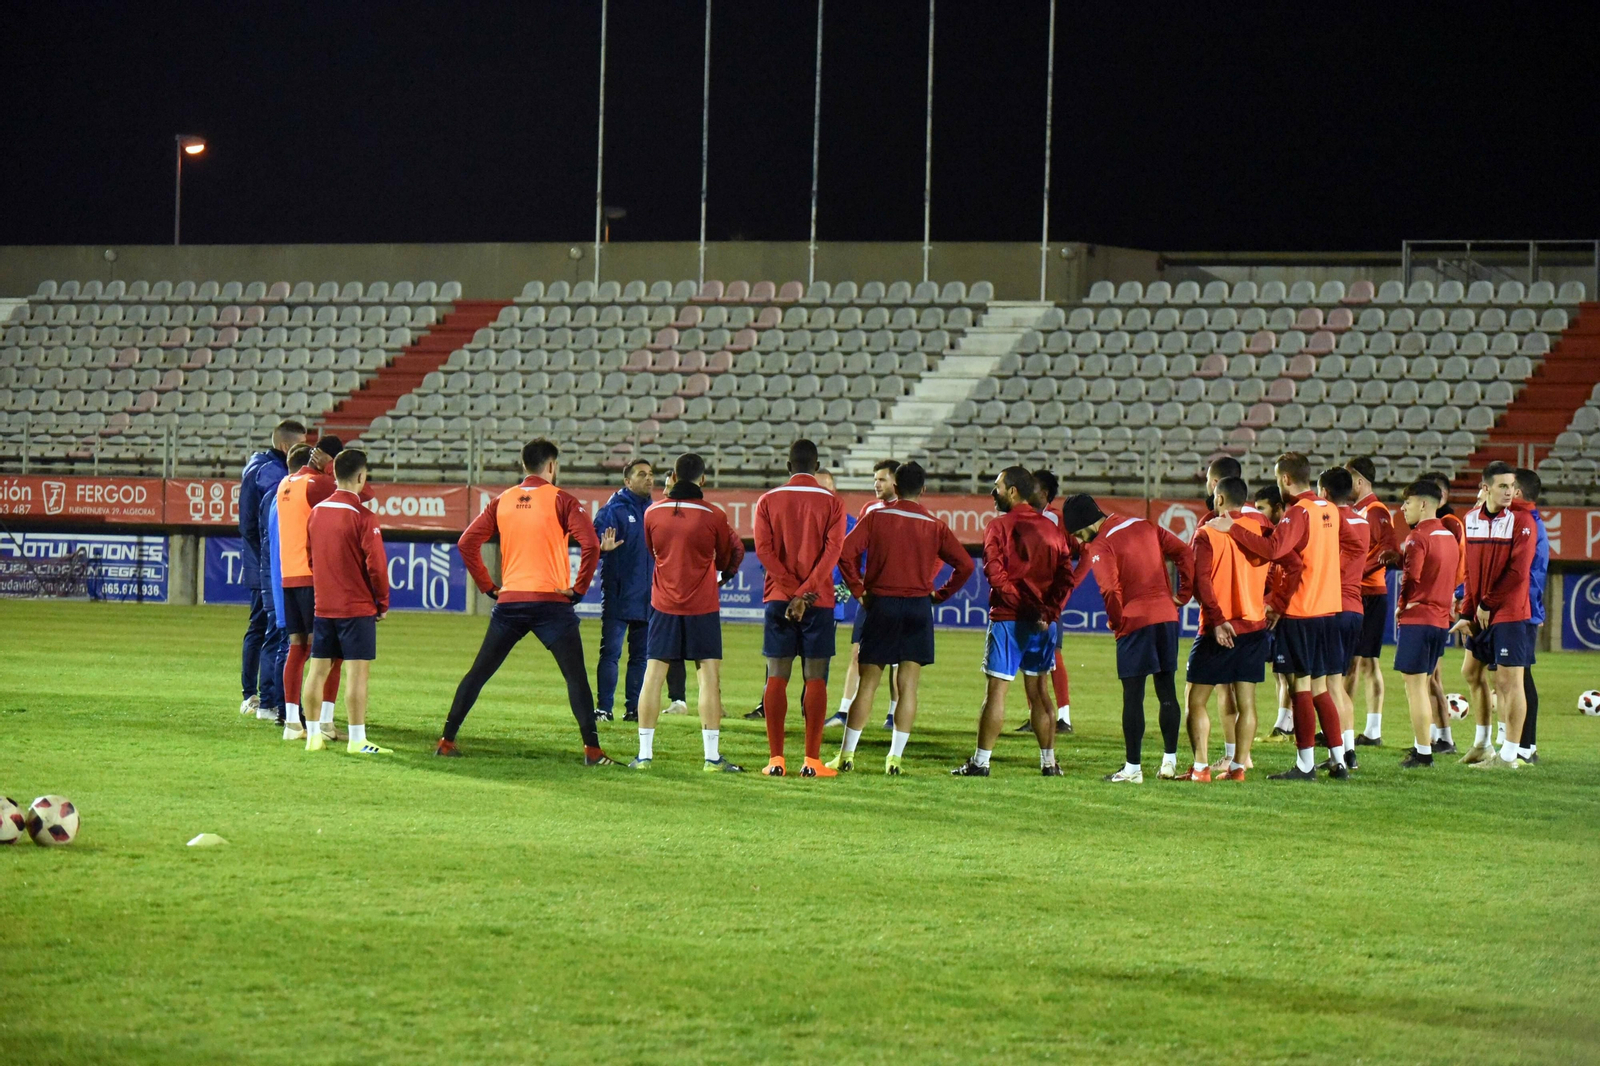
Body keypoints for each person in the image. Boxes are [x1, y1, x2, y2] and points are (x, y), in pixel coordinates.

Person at [437, 439, 615, 765]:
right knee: (575, 677)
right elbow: (590, 544)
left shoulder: (502, 501)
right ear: (551, 466)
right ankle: (592, 750)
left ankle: (447, 741)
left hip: (510, 602)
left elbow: (466, 543)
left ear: (523, 466)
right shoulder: (562, 499)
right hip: (551, 603)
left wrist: (488, 586)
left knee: (478, 673)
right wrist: (578, 590)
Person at [830, 461, 973, 773]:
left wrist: (857, 589)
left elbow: (844, 553)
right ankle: (894, 758)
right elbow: (966, 566)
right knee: (908, 685)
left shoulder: (876, 516)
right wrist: (940, 594)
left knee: (868, 682)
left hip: (880, 604)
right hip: (917, 607)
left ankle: (847, 755)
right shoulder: (935, 525)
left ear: (895, 487)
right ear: (923, 490)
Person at [1211, 452, 1347, 781]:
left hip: (1302, 611)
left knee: (1299, 685)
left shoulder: (1298, 512)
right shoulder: (1329, 509)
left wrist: (1233, 530)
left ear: (1285, 479)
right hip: (1328, 609)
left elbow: (1275, 551)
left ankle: (1304, 765)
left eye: (1276, 478)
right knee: (1319, 688)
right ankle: (1339, 760)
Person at [1063, 494, 1195, 783]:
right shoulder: (1145, 525)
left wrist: (1117, 621)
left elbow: (1110, 590)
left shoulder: (1101, 544)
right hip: (1166, 617)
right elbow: (1185, 552)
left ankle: (1133, 768)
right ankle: (1169, 762)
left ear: (1083, 524)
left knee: (1133, 696)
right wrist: (1183, 595)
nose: (1081, 543)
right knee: (1166, 691)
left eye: (1077, 535)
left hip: (1134, 622)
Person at [952, 468, 1074, 777]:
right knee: (1040, 692)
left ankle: (980, 763)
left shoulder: (999, 526)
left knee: (996, 692)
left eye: (997, 487)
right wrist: (1048, 612)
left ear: (1014, 492)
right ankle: (1049, 764)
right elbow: (1065, 576)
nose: (992, 493)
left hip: (1009, 619)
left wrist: (1027, 608)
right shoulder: (1052, 530)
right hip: (1044, 624)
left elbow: (995, 573)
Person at [629, 452, 746, 772]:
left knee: (653, 675)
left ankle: (644, 755)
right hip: (702, 604)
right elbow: (725, 558)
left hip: (663, 603)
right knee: (708, 676)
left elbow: (652, 551)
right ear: (703, 479)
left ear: (674, 477)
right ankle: (711, 758)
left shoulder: (652, 512)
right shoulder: (713, 515)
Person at [753, 439, 848, 777]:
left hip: (779, 598)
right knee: (815, 676)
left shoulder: (767, 500)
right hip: (817, 602)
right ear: (817, 465)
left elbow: (763, 551)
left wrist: (791, 591)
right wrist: (806, 593)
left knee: (776, 674)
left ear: (787, 466)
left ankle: (776, 760)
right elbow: (832, 552)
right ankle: (811, 761)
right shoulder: (834, 504)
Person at [300, 450, 391, 754]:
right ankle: (357, 739)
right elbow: (376, 565)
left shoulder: (317, 512)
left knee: (317, 670)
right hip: (356, 608)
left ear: (335, 474)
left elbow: (311, 558)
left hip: (324, 606)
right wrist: (382, 601)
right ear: (361, 477)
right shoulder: (363, 516)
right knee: (357, 673)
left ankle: (312, 735)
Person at [1184, 476, 1269, 781]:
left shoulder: (1207, 532)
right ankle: (1238, 767)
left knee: (1195, 700)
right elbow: (1285, 562)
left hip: (1218, 629)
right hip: (1255, 625)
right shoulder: (1261, 526)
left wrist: (1218, 620)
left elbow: (1201, 581)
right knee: (1247, 702)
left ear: (1218, 499)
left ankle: (1200, 768)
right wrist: (1272, 600)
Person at [1454, 461, 1538, 769]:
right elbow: (1470, 572)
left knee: (1508, 682)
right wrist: (1467, 611)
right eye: (1503, 486)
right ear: (1485, 488)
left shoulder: (1522, 520)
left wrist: (1487, 603)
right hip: (1481, 611)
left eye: (1512, 486)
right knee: (1471, 673)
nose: (1510, 491)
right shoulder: (1471, 519)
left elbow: (1518, 571)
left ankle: (1510, 755)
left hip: (1510, 612)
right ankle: (1482, 745)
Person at [273, 437, 356, 742]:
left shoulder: (286, 484)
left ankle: (292, 723)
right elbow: (357, 491)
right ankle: (325, 724)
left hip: (289, 577)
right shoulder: (316, 484)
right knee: (331, 653)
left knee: (297, 648)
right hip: (314, 577)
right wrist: (334, 469)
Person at [592, 460, 686, 724]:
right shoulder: (613, 510)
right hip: (619, 595)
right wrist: (602, 546)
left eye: (651, 474)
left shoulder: (656, 511)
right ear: (627, 481)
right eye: (642, 475)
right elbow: (594, 538)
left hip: (648, 597)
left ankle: (633, 708)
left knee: (641, 657)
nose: (649, 479)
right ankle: (604, 708)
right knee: (611, 653)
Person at [238, 419, 305, 722]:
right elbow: (259, 524)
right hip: (268, 563)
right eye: (301, 443)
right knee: (271, 631)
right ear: (286, 446)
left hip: (262, 560)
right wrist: (268, 558)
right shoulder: (272, 474)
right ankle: (263, 699)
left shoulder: (260, 466)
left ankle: (256, 695)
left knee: (262, 629)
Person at [827, 460, 900, 730]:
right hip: (871, 596)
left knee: (896, 661)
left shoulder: (911, 512)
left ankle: (893, 715)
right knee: (857, 652)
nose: (876, 484)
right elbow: (852, 551)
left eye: (882, 479)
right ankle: (844, 711)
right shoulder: (869, 509)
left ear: (896, 483)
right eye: (875, 479)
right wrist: (856, 586)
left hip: (899, 596)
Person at [1393, 479, 1460, 768]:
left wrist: (1400, 605)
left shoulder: (1418, 537)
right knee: (1425, 683)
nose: (1403, 508)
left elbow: (1412, 575)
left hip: (1419, 618)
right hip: (1439, 620)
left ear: (1422, 504)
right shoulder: (1448, 536)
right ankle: (1427, 745)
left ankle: (1423, 751)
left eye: (1407, 503)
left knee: (1415, 687)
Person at [1188, 456, 1243, 768]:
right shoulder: (1257, 521)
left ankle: (1207, 762)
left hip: (1218, 620)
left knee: (1202, 695)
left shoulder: (1209, 523)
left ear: (1216, 485)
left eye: (1209, 479)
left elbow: (1200, 577)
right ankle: (1239, 758)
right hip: (1250, 618)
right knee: (1241, 692)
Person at [1345, 457, 1400, 746]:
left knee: (1359, 664)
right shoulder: (1361, 510)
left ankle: (1361, 730)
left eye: (1349, 479)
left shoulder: (1375, 510)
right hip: (1363, 592)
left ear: (1360, 481)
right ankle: (1359, 729)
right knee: (1360, 664)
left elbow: (1390, 546)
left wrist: (1360, 570)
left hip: (1368, 594)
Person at [1014, 468, 1073, 734]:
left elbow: (1083, 553)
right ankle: (1035, 715)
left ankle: (1064, 718)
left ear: (1045, 493)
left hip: (1047, 600)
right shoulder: (1026, 517)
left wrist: (1069, 586)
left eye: (1033, 488)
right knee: (1029, 656)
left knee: (1053, 655)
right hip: (1027, 599)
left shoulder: (1056, 519)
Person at [1318, 466, 1369, 771]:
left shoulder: (1329, 519)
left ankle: (1344, 754)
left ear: (1323, 492)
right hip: (1355, 607)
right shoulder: (1361, 521)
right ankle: (1347, 751)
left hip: (1332, 607)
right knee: (1336, 683)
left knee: (1329, 685)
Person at [1423, 471, 1467, 754]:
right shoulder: (1445, 522)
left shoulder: (1448, 523)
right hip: (1442, 602)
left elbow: (1454, 562)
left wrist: (1453, 595)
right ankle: (1438, 737)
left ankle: (1440, 738)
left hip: (1440, 603)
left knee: (1429, 677)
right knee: (1431, 676)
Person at [1251, 483, 1295, 744]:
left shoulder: (1286, 537)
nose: (1258, 513)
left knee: (1288, 670)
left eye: (1261, 508)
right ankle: (1284, 723)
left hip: (1288, 611)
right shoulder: (1272, 537)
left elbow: (1291, 573)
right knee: (1280, 670)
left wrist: (1276, 604)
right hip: (1276, 608)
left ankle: (1286, 726)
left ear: (1278, 508)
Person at [1513, 468, 1549, 763]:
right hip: (1522, 608)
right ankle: (1517, 744)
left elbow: (1527, 574)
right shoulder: (1528, 522)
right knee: (1513, 677)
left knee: (1521, 677)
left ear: (1518, 493)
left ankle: (1527, 746)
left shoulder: (1529, 526)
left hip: (1522, 610)